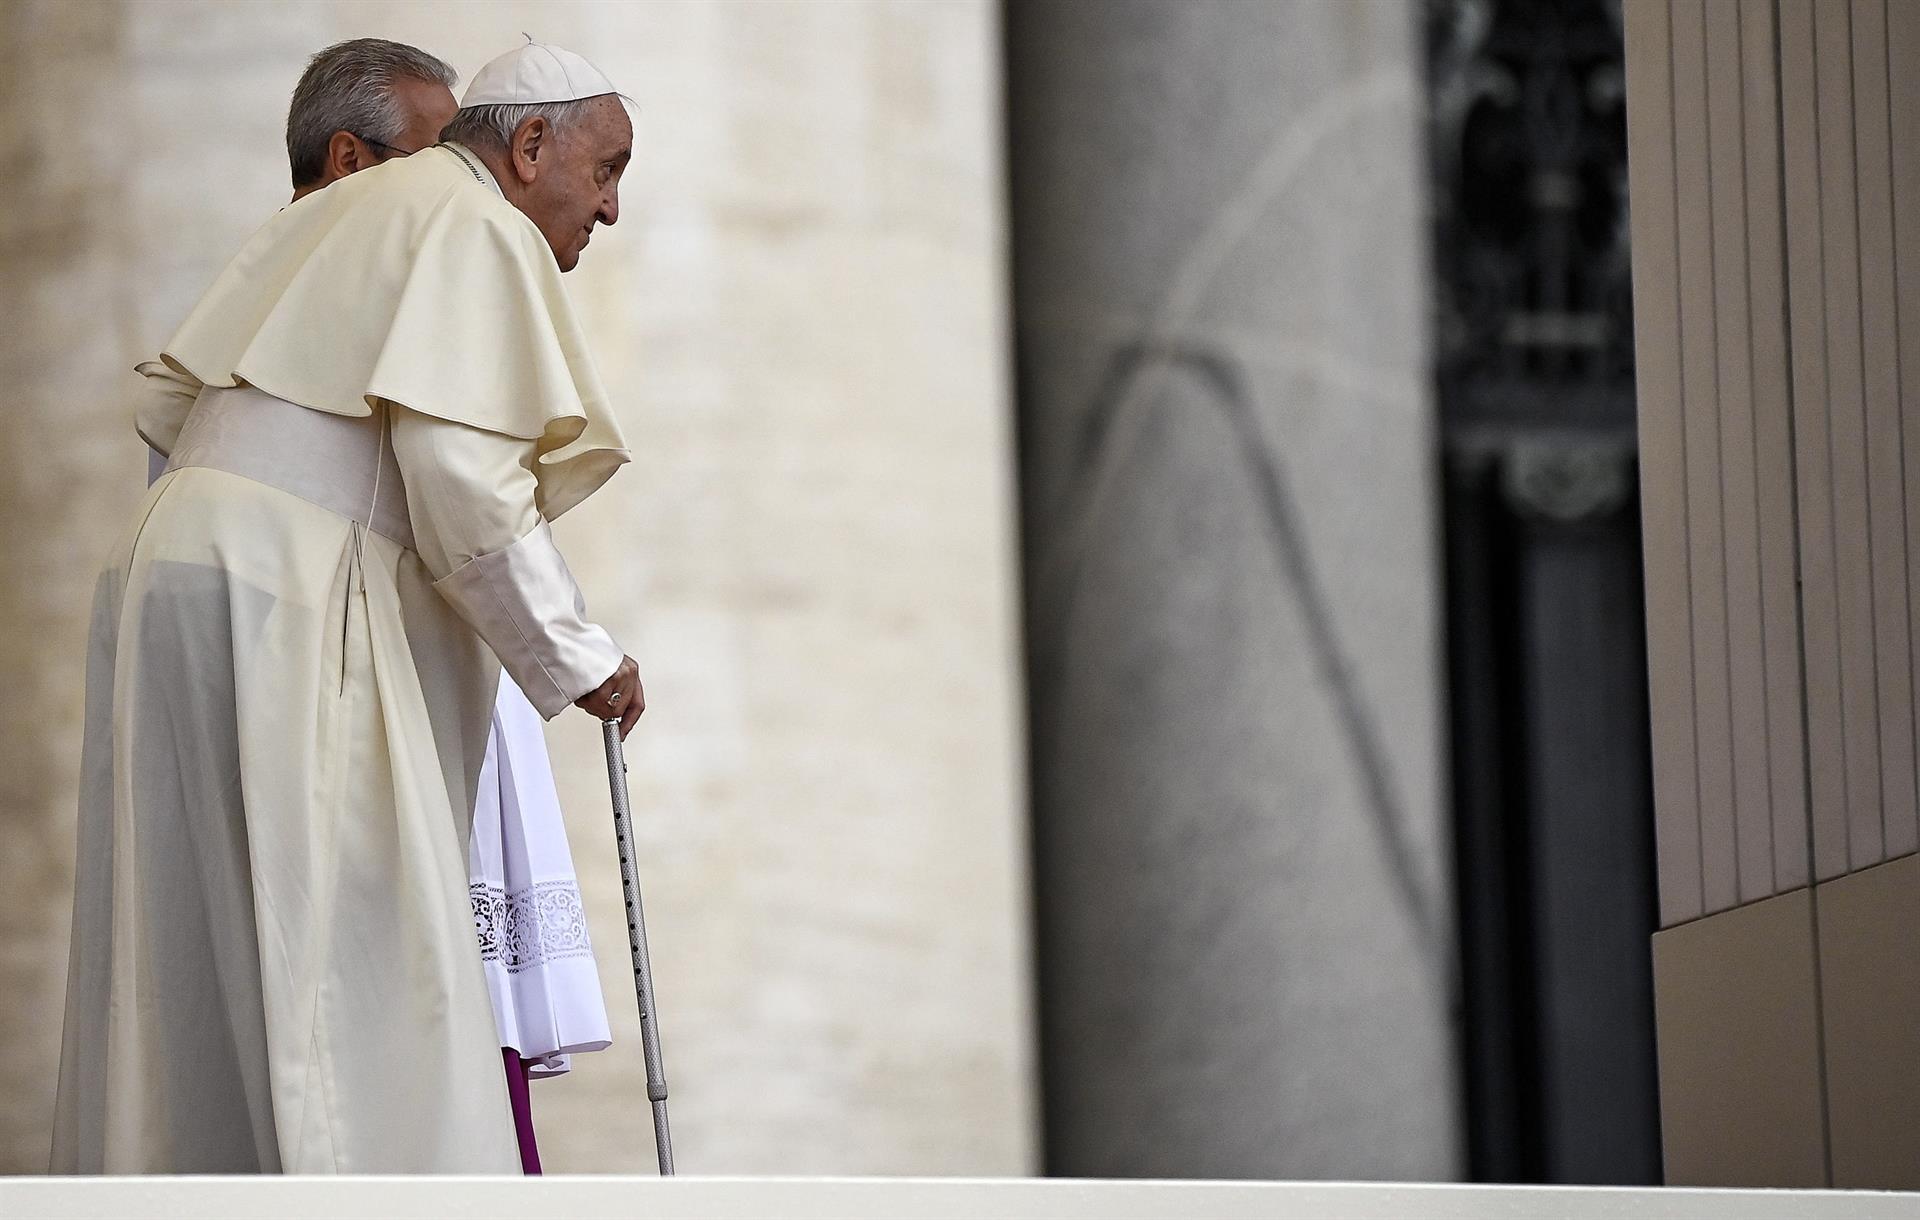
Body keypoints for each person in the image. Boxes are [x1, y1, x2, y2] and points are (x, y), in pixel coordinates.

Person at [52, 39, 642, 1174]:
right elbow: (466, 487)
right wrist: (580, 656)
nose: (608, 210)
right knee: (352, 963)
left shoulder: (339, 211)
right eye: (606, 170)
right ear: (527, 147)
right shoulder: (471, 219)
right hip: (290, 586)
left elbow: (189, 420)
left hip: (172, 570)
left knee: (186, 960)